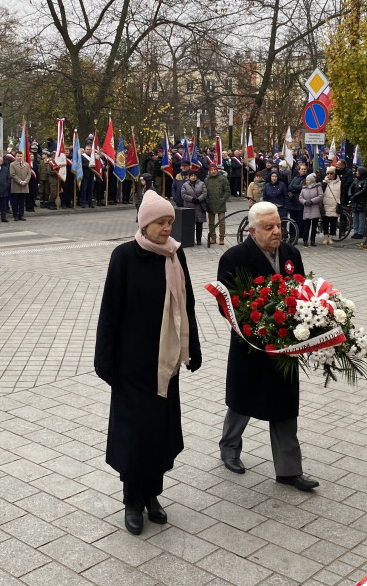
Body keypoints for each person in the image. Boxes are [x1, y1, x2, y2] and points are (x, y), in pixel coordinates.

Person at [94, 190, 202, 535]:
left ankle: (153, 494)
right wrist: (104, 359)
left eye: (169, 222)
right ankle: (132, 501)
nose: (167, 228)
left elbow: (187, 306)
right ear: (145, 223)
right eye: (161, 222)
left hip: (165, 364)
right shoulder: (124, 255)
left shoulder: (175, 256)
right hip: (132, 364)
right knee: (134, 435)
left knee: (160, 433)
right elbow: (110, 309)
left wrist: (193, 348)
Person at [216, 202, 317, 492]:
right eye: (269, 228)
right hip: (250, 345)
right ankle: (229, 447)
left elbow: (301, 292)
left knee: (285, 404)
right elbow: (228, 305)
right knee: (242, 399)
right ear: (252, 230)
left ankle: (288, 470)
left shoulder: (291, 254)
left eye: (279, 225)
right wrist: (260, 325)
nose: (277, 232)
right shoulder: (234, 258)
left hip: (285, 346)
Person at [204, 163, 231, 245]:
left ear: (217, 170)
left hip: (220, 204)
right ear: (209, 171)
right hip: (210, 203)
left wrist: (223, 199)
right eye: (211, 170)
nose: (213, 171)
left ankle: (222, 238)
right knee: (211, 223)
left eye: (214, 170)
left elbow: (227, 191)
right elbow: (204, 192)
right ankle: (213, 237)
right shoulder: (207, 180)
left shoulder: (223, 179)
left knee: (222, 222)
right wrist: (207, 200)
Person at [180, 169, 208, 246]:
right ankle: (190, 240)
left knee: (199, 225)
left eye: (194, 176)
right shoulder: (185, 185)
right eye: (191, 176)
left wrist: (199, 199)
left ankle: (199, 240)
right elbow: (183, 195)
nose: (193, 177)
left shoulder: (202, 184)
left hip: (199, 207)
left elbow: (204, 193)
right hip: (189, 207)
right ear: (189, 177)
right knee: (190, 225)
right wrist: (192, 199)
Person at [320, 165, 343, 245]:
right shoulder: (324, 182)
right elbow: (320, 192)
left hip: (335, 204)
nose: (329, 175)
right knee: (325, 222)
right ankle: (326, 237)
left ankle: (331, 238)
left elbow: (342, 193)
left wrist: (340, 202)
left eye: (331, 174)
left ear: (334, 174)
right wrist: (324, 183)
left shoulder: (339, 183)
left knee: (333, 222)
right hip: (325, 204)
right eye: (328, 173)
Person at [299, 174, 322, 247]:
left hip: (315, 208)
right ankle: (305, 240)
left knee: (314, 226)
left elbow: (321, 196)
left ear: (312, 181)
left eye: (308, 180)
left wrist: (312, 201)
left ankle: (313, 240)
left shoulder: (318, 187)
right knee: (306, 226)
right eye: (306, 180)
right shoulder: (304, 188)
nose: (306, 181)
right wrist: (304, 202)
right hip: (307, 209)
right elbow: (300, 197)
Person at [9, 151, 32, 221]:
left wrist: (25, 181)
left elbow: (29, 174)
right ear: (15, 157)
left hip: (24, 186)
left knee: (22, 202)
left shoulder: (26, 164)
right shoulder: (12, 164)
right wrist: (20, 181)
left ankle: (21, 215)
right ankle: (15, 215)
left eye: (20, 156)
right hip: (16, 186)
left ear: (23, 157)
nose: (19, 157)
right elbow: (12, 174)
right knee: (15, 202)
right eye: (18, 156)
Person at [349, 167, 367, 240]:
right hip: (354, 202)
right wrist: (350, 195)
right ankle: (355, 231)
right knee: (355, 217)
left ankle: (360, 232)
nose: (356, 173)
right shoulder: (355, 180)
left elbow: (364, 190)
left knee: (361, 218)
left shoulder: (366, 181)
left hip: (362, 201)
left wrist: (355, 196)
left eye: (357, 172)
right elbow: (350, 187)